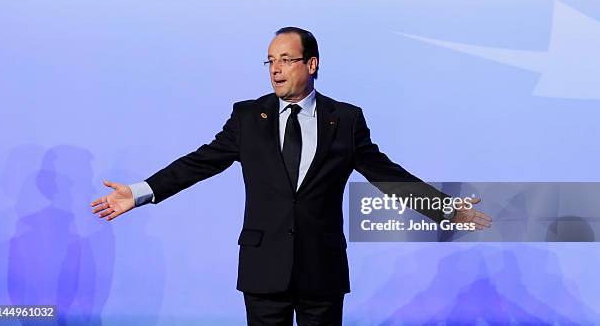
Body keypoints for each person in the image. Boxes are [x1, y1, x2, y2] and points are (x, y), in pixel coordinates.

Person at [91, 27, 492, 325]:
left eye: (285, 59)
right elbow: (201, 162)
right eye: (270, 61)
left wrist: (444, 210)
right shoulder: (249, 117)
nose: (275, 69)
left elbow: (385, 174)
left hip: (322, 268)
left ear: (311, 64)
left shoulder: (345, 119)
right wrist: (141, 191)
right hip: (264, 268)